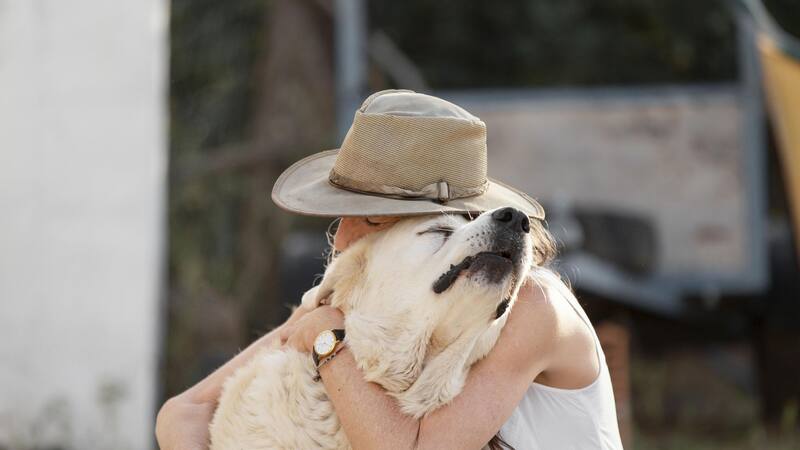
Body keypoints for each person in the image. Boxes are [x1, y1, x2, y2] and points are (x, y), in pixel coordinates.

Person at [156, 90, 624, 449]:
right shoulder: (367, 299)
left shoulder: (531, 306)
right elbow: (185, 413)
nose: (339, 239)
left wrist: (326, 338)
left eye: (362, 217)